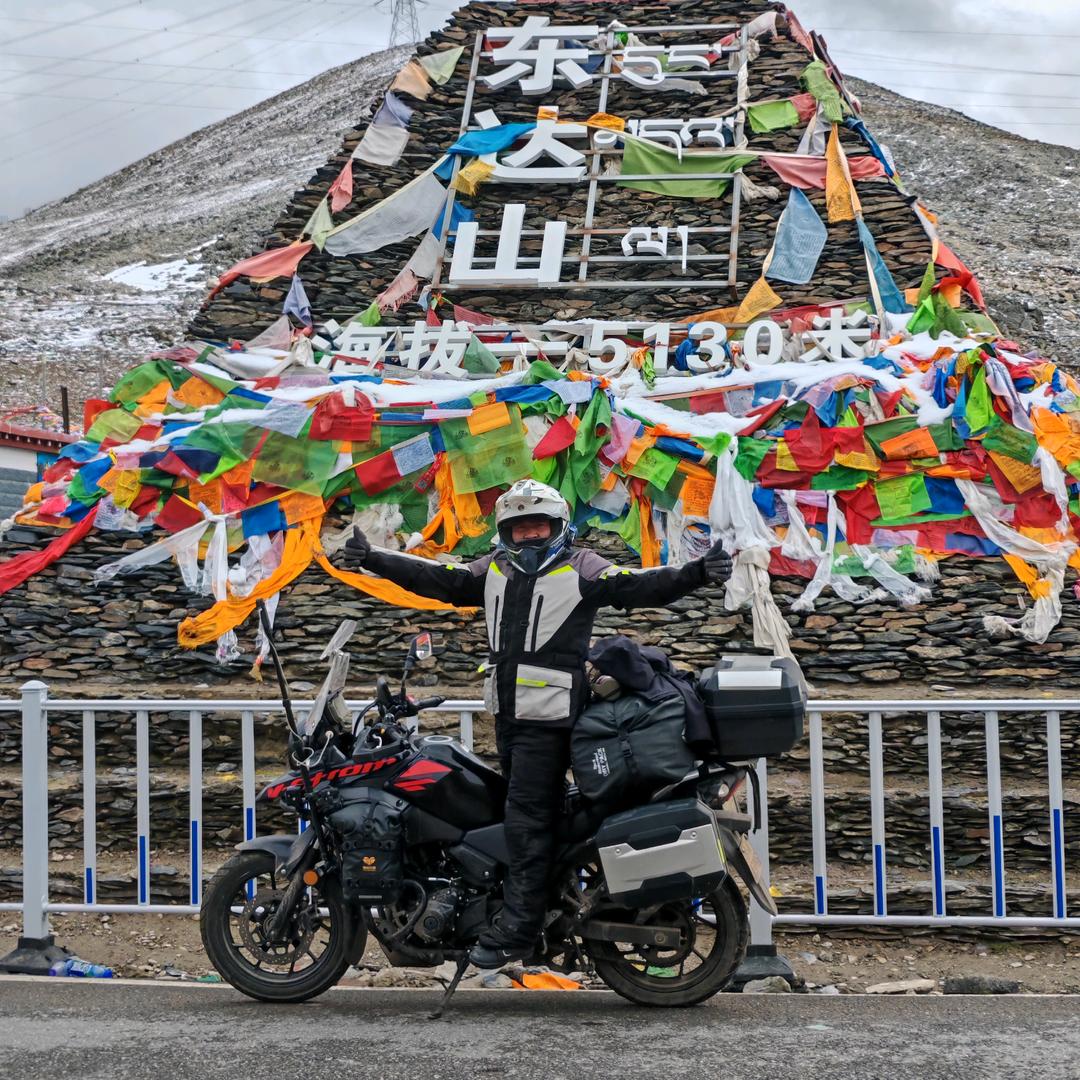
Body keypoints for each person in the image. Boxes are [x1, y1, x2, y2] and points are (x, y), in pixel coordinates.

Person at [341, 478, 732, 968]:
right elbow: (438, 577)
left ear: (557, 526)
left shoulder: (582, 566)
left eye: (538, 526)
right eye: (518, 527)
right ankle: (537, 906)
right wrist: (374, 559)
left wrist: (697, 572)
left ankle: (518, 931)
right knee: (526, 815)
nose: (529, 535)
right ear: (505, 532)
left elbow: (640, 585)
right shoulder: (494, 568)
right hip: (513, 719)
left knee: (526, 822)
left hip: (548, 721)